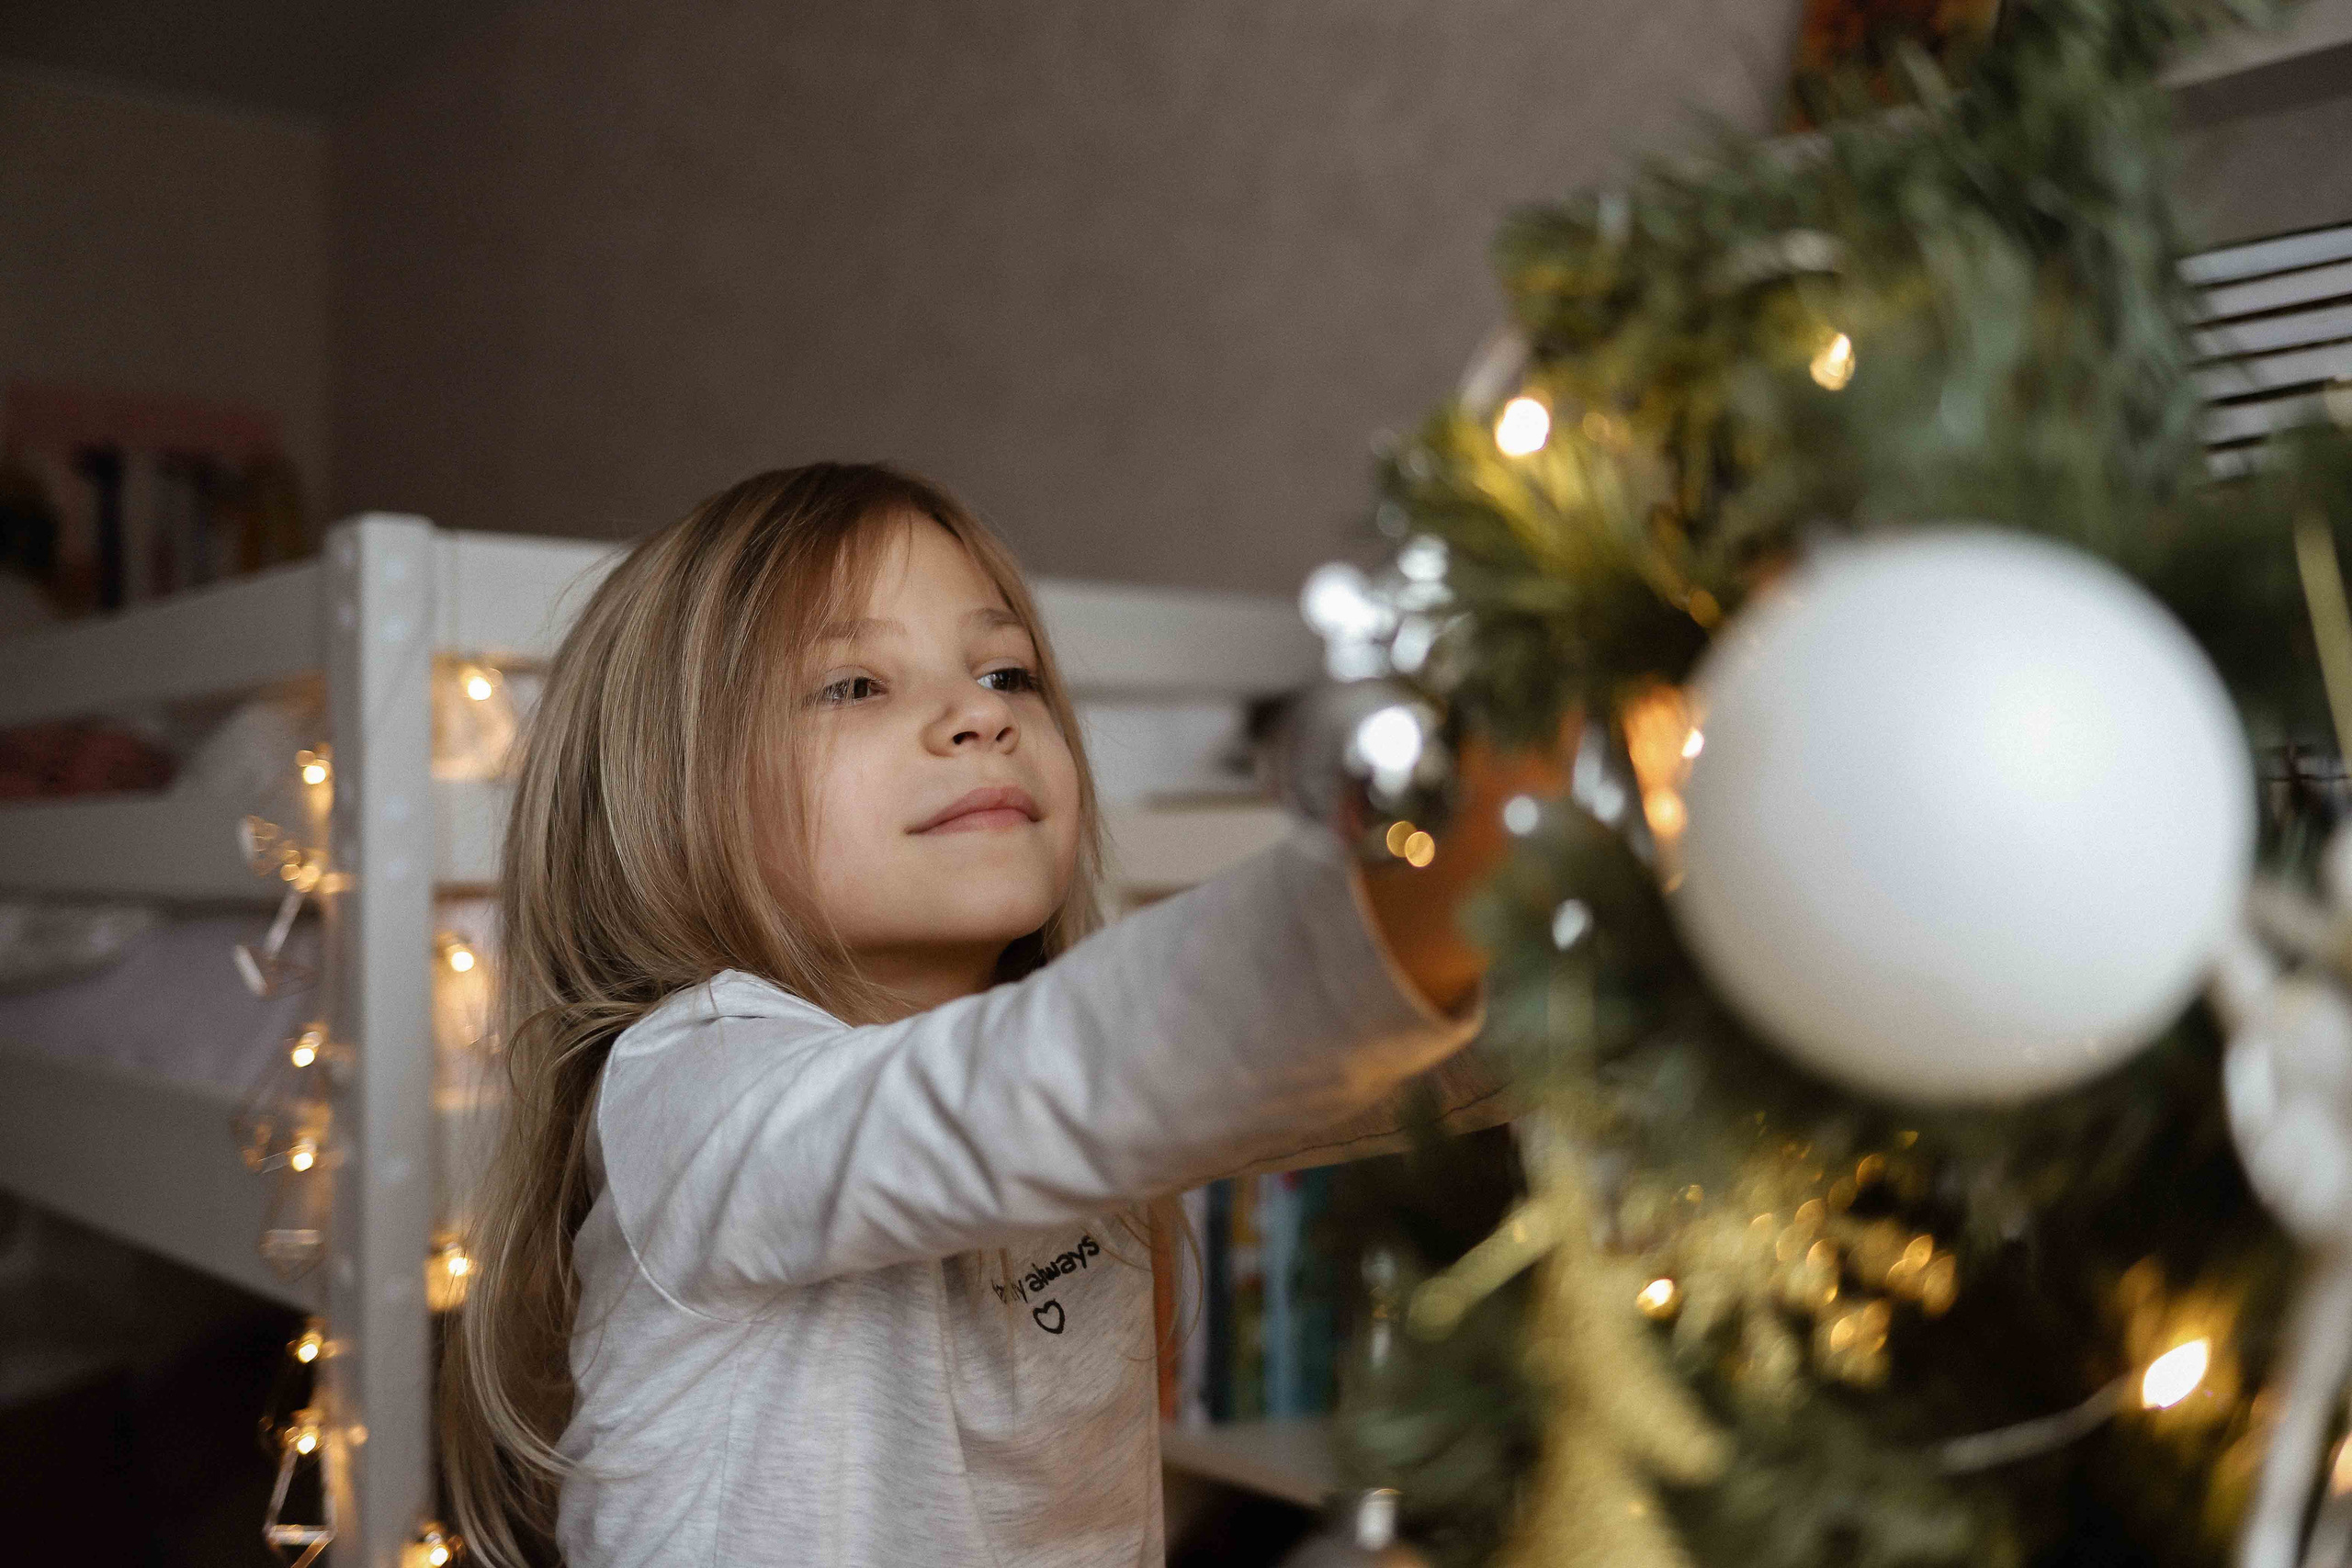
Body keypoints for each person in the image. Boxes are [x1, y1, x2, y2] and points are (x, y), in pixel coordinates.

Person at [443, 462, 1535, 1566]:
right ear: (672, 806)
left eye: (1009, 672)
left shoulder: (1078, 1103)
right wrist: (1429, 874)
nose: (980, 714)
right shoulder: (687, 1087)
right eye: (854, 686)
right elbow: (1025, 1091)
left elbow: (1397, 1063)